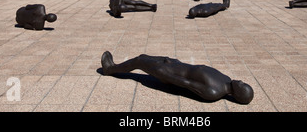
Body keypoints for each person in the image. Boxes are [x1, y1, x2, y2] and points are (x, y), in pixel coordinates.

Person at [100, 51, 254, 104]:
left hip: (169, 72)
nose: (240, 81)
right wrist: (174, 61)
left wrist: (165, 75)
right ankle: (113, 67)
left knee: (139, 61)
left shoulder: (213, 92)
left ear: (238, 94)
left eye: (242, 85)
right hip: (175, 63)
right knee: (143, 56)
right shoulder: (226, 78)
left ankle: (110, 69)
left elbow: (185, 83)